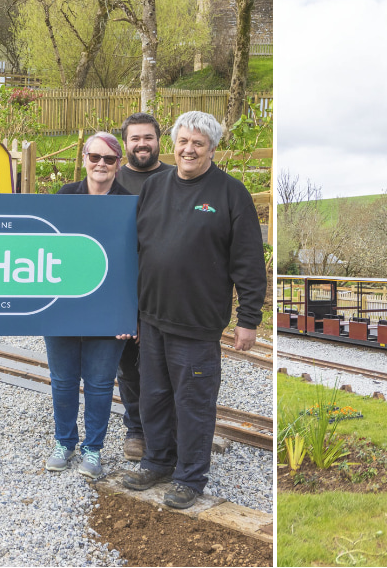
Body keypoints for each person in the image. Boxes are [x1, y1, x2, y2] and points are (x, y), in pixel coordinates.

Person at [121, 111, 266, 509]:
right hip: (151, 318)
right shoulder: (154, 187)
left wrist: (248, 319)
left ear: (211, 149)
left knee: (193, 404)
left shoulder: (230, 194)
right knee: (153, 397)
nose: (189, 149)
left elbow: (249, 262)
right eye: (183, 141)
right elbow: (136, 248)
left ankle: (190, 477)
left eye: (198, 144)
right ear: (174, 144)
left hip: (197, 324)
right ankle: (158, 461)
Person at [43, 132, 135, 479]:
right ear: (83, 158)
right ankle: (64, 442)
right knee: (63, 381)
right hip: (63, 307)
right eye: (95, 157)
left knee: (99, 384)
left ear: (118, 165)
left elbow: (136, 263)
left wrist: (130, 315)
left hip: (108, 311)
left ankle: (93, 450)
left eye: (109, 159)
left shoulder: (129, 203)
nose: (101, 164)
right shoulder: (66, 196)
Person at [112, 112, 175, 462]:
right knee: (131, 368)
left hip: (163, 290)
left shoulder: (174, 177)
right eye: (135, 138)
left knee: (164, 368)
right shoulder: (113, 178)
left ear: (158, 140)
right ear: (126, 143)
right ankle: (136, 430)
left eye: (148, 137)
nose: (141, 144)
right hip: (123, 290)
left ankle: (166, 433)